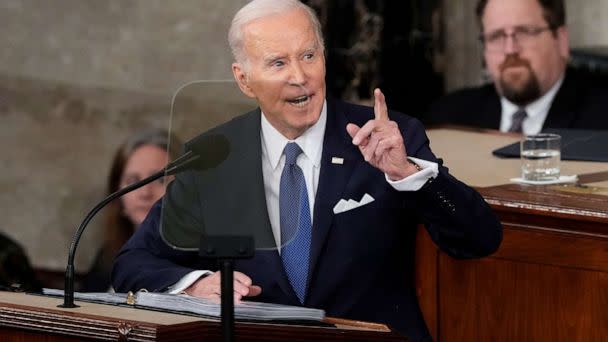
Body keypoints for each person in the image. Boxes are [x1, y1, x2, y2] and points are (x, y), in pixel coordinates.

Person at [112, 1, 502, 341]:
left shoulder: (387, 137)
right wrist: (193, 285)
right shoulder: (213, 159)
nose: (299, 76)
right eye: (278, 63)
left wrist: (406, 172)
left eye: (309, 55)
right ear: (244, 79)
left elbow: (479, 239)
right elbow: (133, 263)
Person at [426, 0, 608, 134]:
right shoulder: (448, 118)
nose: (510, 50)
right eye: (496, 36)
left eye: (524, 32)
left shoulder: (601, 119)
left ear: (561, 40)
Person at [81, 128, 181, 292]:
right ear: (117, 192)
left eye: (160, 180)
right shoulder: (107, 255)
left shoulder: (199, 260)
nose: (145, 192)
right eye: (134, 181)